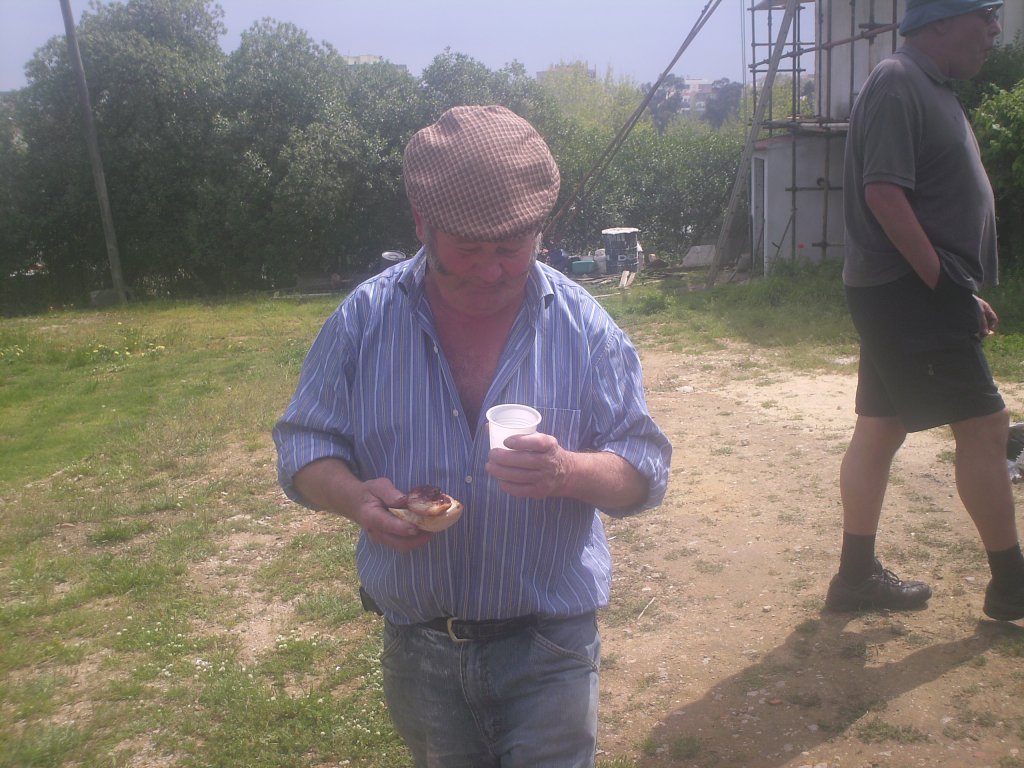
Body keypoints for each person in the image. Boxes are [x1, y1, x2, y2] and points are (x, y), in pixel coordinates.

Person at [273, 105, 672, 767]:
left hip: (550, 646)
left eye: (512, 248)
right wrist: (355, 500)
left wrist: (568, 472)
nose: (491, 271)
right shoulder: (365, 319)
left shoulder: (584, 327)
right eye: (468, 249)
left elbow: (644, 469)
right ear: (422, 224)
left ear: (540, 230)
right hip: (420, 647)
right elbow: (304, 444)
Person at [826, 0, 1024, 622]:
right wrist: (943, 286)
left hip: (906, 289)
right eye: (984, 14)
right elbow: (884, 194)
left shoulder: (927, 85)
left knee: (880, 428)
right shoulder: (899, 80)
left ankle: (855, 579)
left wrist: (958, 287)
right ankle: (1013, 587)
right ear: (941, 19)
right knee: (986, 427)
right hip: (909, 290)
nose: (995, 29)